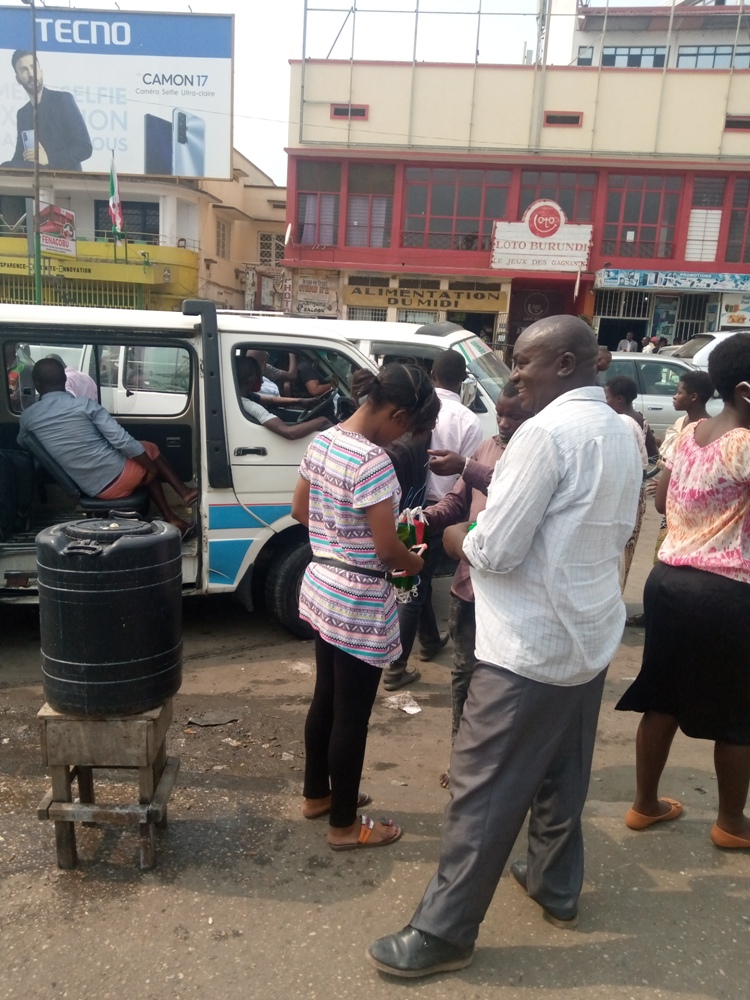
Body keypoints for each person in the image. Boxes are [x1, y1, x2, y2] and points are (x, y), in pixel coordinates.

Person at [367, 315, 641, 978]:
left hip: (528, 647)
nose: (514, 374)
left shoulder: (546, 435)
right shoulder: (620, 428)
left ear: (568, 365)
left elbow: (495, 550)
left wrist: (454, 535)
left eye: (525, 362)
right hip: (585, 637)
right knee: (562, 774)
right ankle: (555, 885)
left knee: (483, 792)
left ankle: (444, 930)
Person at [291, 364, 439, 850]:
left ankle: (319, 796)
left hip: (322, 583)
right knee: (352, 715)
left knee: (326, 697)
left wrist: (337, 535)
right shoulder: (373, 461)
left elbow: (298, 511)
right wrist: (414, 565)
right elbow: (386, 549)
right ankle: (344, 826)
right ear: (398, 414)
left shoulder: (324, 441)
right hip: (357, 598)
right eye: (411, 428)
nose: (408, 438)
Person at [615, 334, 750, 850]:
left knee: (662, 697)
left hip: (669, 580)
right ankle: (731, 823)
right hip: (726, 589)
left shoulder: (693, 433)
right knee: (738, 714)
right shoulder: (744, 444)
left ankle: (644, 804)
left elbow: (666, 497)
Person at [421, 383, 530, 788]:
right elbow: (457, 500)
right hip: (468, 586)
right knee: (463, 676)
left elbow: (505, 488)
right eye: (500, 414)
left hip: (508, 593)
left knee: (502, 684)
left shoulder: (533, 456)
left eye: (514, 416)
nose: (504, 423)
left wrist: (465, 466)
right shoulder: (486, 446)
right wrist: (426, 518)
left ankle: (499, 764)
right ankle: (461, 758)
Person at [382, 350, 483, 691]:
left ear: (434, 374)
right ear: (462, 379)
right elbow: (466, 474)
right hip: (443, 506)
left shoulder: (413, 408)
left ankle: (428, 641)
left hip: (408, 505)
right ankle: (396, 667)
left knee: (419, 577)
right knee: (414, 584)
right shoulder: (469, 420)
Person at [18, 359, 196, 533]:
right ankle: (183, 494)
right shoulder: (85, 405)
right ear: (65, 380)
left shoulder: (28, 417)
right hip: (119, 479)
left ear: (36, 384)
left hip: (91, 488)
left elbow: (22, 441)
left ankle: (171, 514)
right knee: (149, 450)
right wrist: (153, 469)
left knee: (142, 459)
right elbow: (122, 441)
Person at [5, 51, 92, 171]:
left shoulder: (63, 100)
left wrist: (49, 160)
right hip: (34, 184)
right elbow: (20, 156)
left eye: (33, 67)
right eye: (24, 70)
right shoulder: (23, 114)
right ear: (18, 79)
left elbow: (84, 147)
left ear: (41, 71)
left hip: (66, 181)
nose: (31, 74)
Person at [604, 376, 649, 591]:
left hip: (624, 495)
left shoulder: (623, 422)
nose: (604, 402)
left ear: (619, 399)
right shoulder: (639, 419)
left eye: (607, 397)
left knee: (619, 552)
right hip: (632, 493)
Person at [236, 357, 332, 441]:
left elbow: (271, 400)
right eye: (260, 377)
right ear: (251, 380)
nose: (262, 381)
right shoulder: (248, 405)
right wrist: (322, 420)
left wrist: (301, 401)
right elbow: (289, 433)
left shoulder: (244, 396)